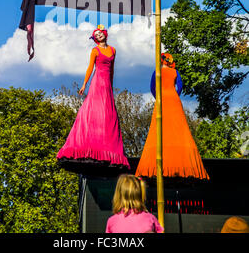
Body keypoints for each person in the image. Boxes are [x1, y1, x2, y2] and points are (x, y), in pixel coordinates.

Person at [57, 25, 130, 169]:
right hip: (97, 81)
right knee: (94, 108)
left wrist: (111, 83)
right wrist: (84, 84)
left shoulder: (113, 50)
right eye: (96, 35)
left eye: (100, 33)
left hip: (107, 83)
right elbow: (90, 67)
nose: (98, 36)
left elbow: (112, 69)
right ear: (95, 39)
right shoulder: (94, 51)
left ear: (104, 34)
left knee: (107, 112)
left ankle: (107, 145)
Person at [135, 53, 210, 180]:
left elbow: (152, 87)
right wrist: (174, 96)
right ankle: (182, 162)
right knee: (178, 127)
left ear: (161, 60)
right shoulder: (175, 72)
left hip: (162, 99)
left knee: (160, 128)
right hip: (173, 99)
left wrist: (158, 97)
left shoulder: (156, 71)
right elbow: (180, 87)